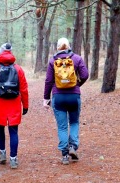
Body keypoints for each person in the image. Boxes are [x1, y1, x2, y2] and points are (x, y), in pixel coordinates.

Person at [0, 43, 29, 169]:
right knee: (14, 131)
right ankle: (13, 159)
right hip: (14, 102)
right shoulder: (18, 69)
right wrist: (25, 105)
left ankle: (2, 154)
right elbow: (24, 88)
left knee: (0, 128)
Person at [43, 37, 89, 165]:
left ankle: (64, 155)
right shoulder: (77, 58)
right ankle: (73, 147)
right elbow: (85, 75)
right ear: (69, 46)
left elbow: (48, 81)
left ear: (57, 47)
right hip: (74, 96)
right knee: (74, 123)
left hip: (58, 97)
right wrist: (77, 85)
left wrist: (46, 98)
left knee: (62, 127)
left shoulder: (53, 61)